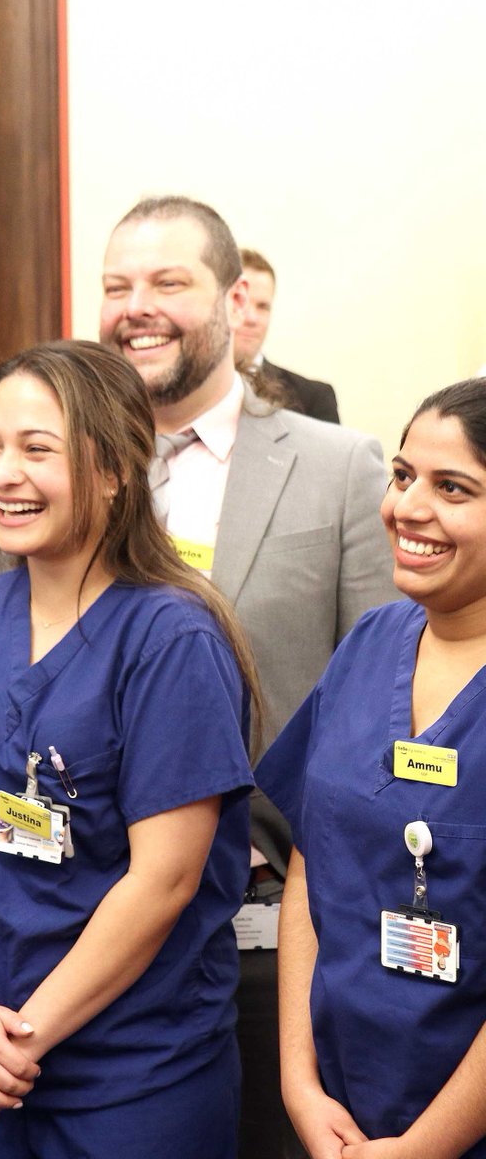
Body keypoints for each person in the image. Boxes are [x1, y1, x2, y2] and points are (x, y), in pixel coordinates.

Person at [0, 339, 258, 1157]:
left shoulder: (171, 639)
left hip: (130, 1076)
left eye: (37, 450)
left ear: (114, 469)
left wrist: (16, 1043)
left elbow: (163, 881)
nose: (2, 474)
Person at [99, 196, 397, 1158]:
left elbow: (382, 707)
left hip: (275, 933)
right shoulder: (61, 469)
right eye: (116, 286)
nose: (136, 307)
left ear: (234, 301)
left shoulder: (342, 468)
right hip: (94, 927)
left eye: (167, 283)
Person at [259, 378, 486, 1158]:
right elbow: (308, 866)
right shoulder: (369, 645)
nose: (406, 508)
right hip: (339, 1116)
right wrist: (299, 1081)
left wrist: (425, 1147)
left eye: (453, 488)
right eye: (402, 476)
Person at [234, 248, 340, 424]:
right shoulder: (184, 391)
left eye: (263, 307)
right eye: (242, 303)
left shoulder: (312, 400)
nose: (252, 318)